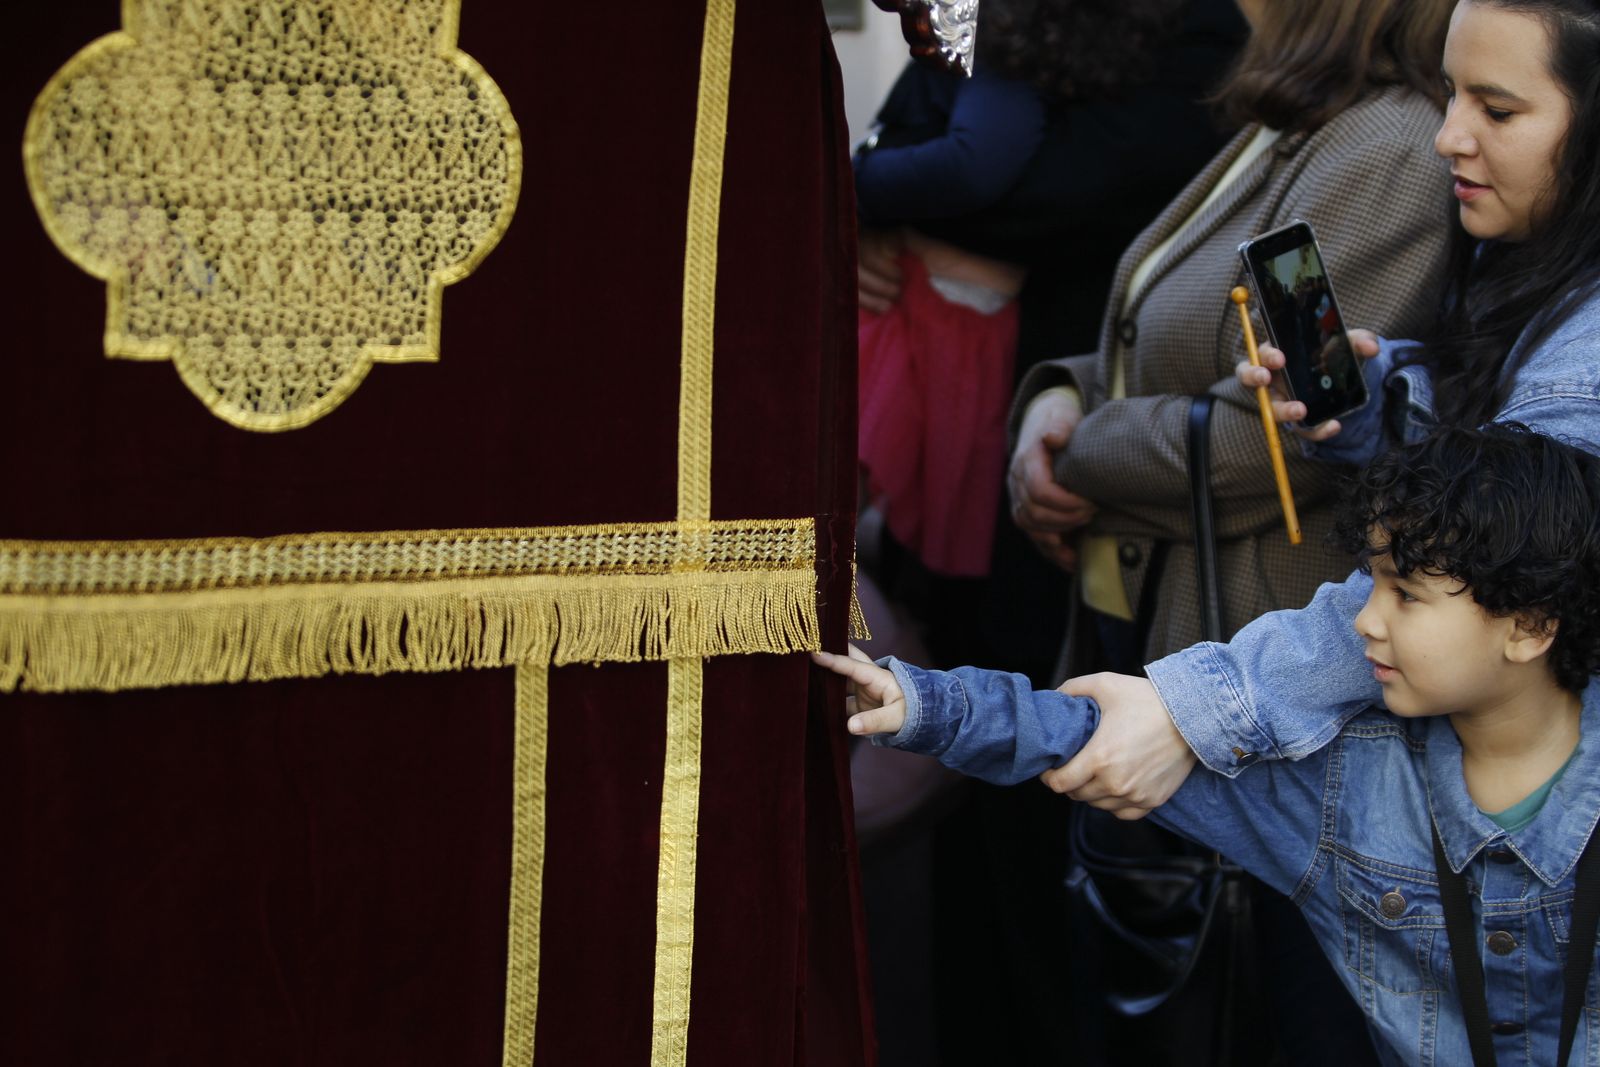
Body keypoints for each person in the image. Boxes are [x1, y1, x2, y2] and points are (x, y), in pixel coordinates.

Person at [816, 422, 1600, 1066]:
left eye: (1406, 594)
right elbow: (1082, 733)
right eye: (1372, 582)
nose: (1363, 618)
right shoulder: (1336, 787)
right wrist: (929, 703)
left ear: (1530, 627)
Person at [1039, 0, 1600, 834]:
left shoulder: (1580, 359)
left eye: (1498, 109)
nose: (1448, 135)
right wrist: (1381, 411)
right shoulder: (1512, 255)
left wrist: (1199, 709)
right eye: (1451, 94)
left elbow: (1470, 570)